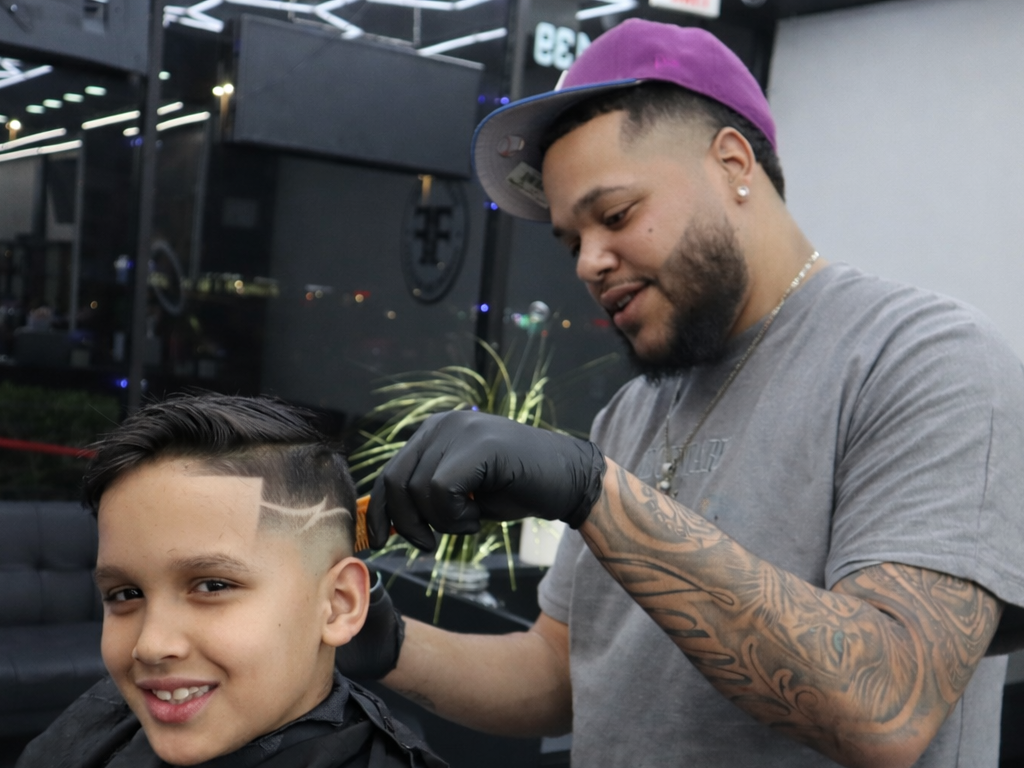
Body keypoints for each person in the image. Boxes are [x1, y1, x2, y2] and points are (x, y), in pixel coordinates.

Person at [355, 18, 1024, 768]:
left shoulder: (924, 359)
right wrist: (384, 643)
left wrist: (594, 493)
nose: (588, 263)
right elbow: (560, 673)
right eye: (572, 241)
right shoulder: (633, 412)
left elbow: (885, 705)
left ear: (733, 163)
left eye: (615, 216)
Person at [16, 394, 445, 768]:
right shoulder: (96, 726)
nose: (150, 645)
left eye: (212, 586)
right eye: (126, 594)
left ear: (338, 603)